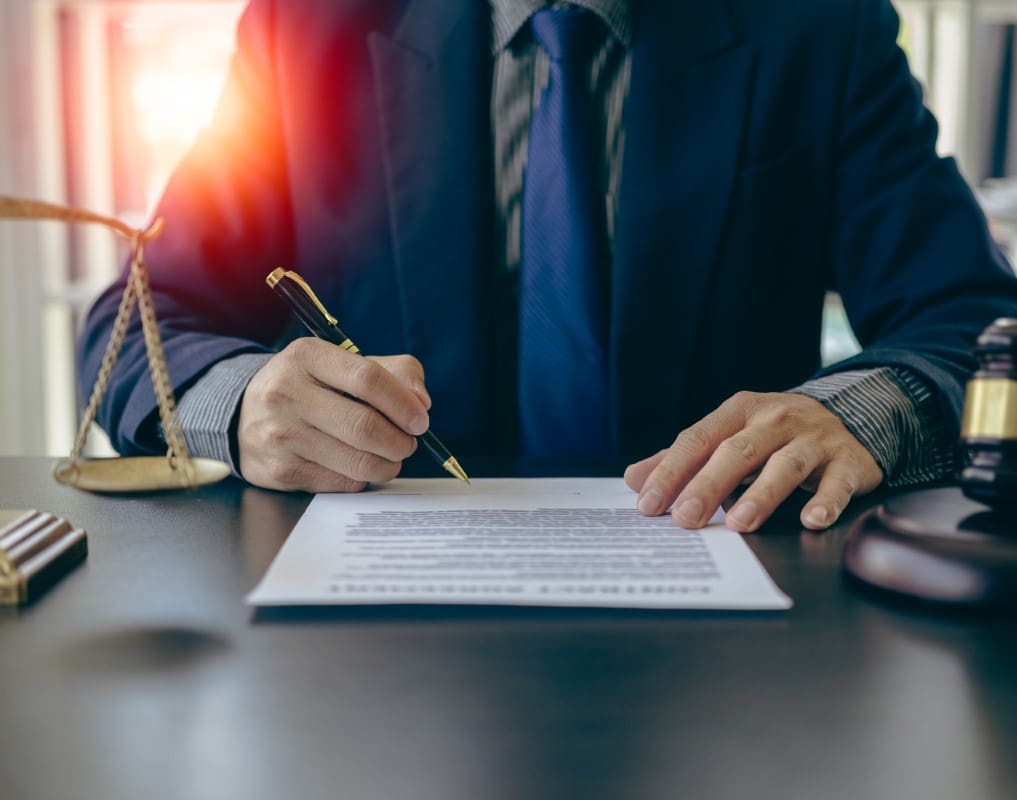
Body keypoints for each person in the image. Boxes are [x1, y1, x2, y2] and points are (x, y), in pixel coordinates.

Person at [79, 0, 1017, 534]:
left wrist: (850, 414)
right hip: (368, 635)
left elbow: (974, 324)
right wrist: (243, 407)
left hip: (737, 602)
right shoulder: (307, 27)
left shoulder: (817, 26)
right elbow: (139, 317)